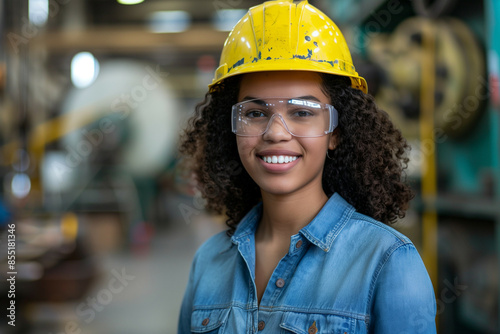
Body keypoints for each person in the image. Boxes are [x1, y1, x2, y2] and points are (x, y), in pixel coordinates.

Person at [177, 0, 437, 332]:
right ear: (229, 128)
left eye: (302, 112)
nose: (275, 133)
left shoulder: (386, 261)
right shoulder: (209, 262)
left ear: (336, 132)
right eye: (255, 113)